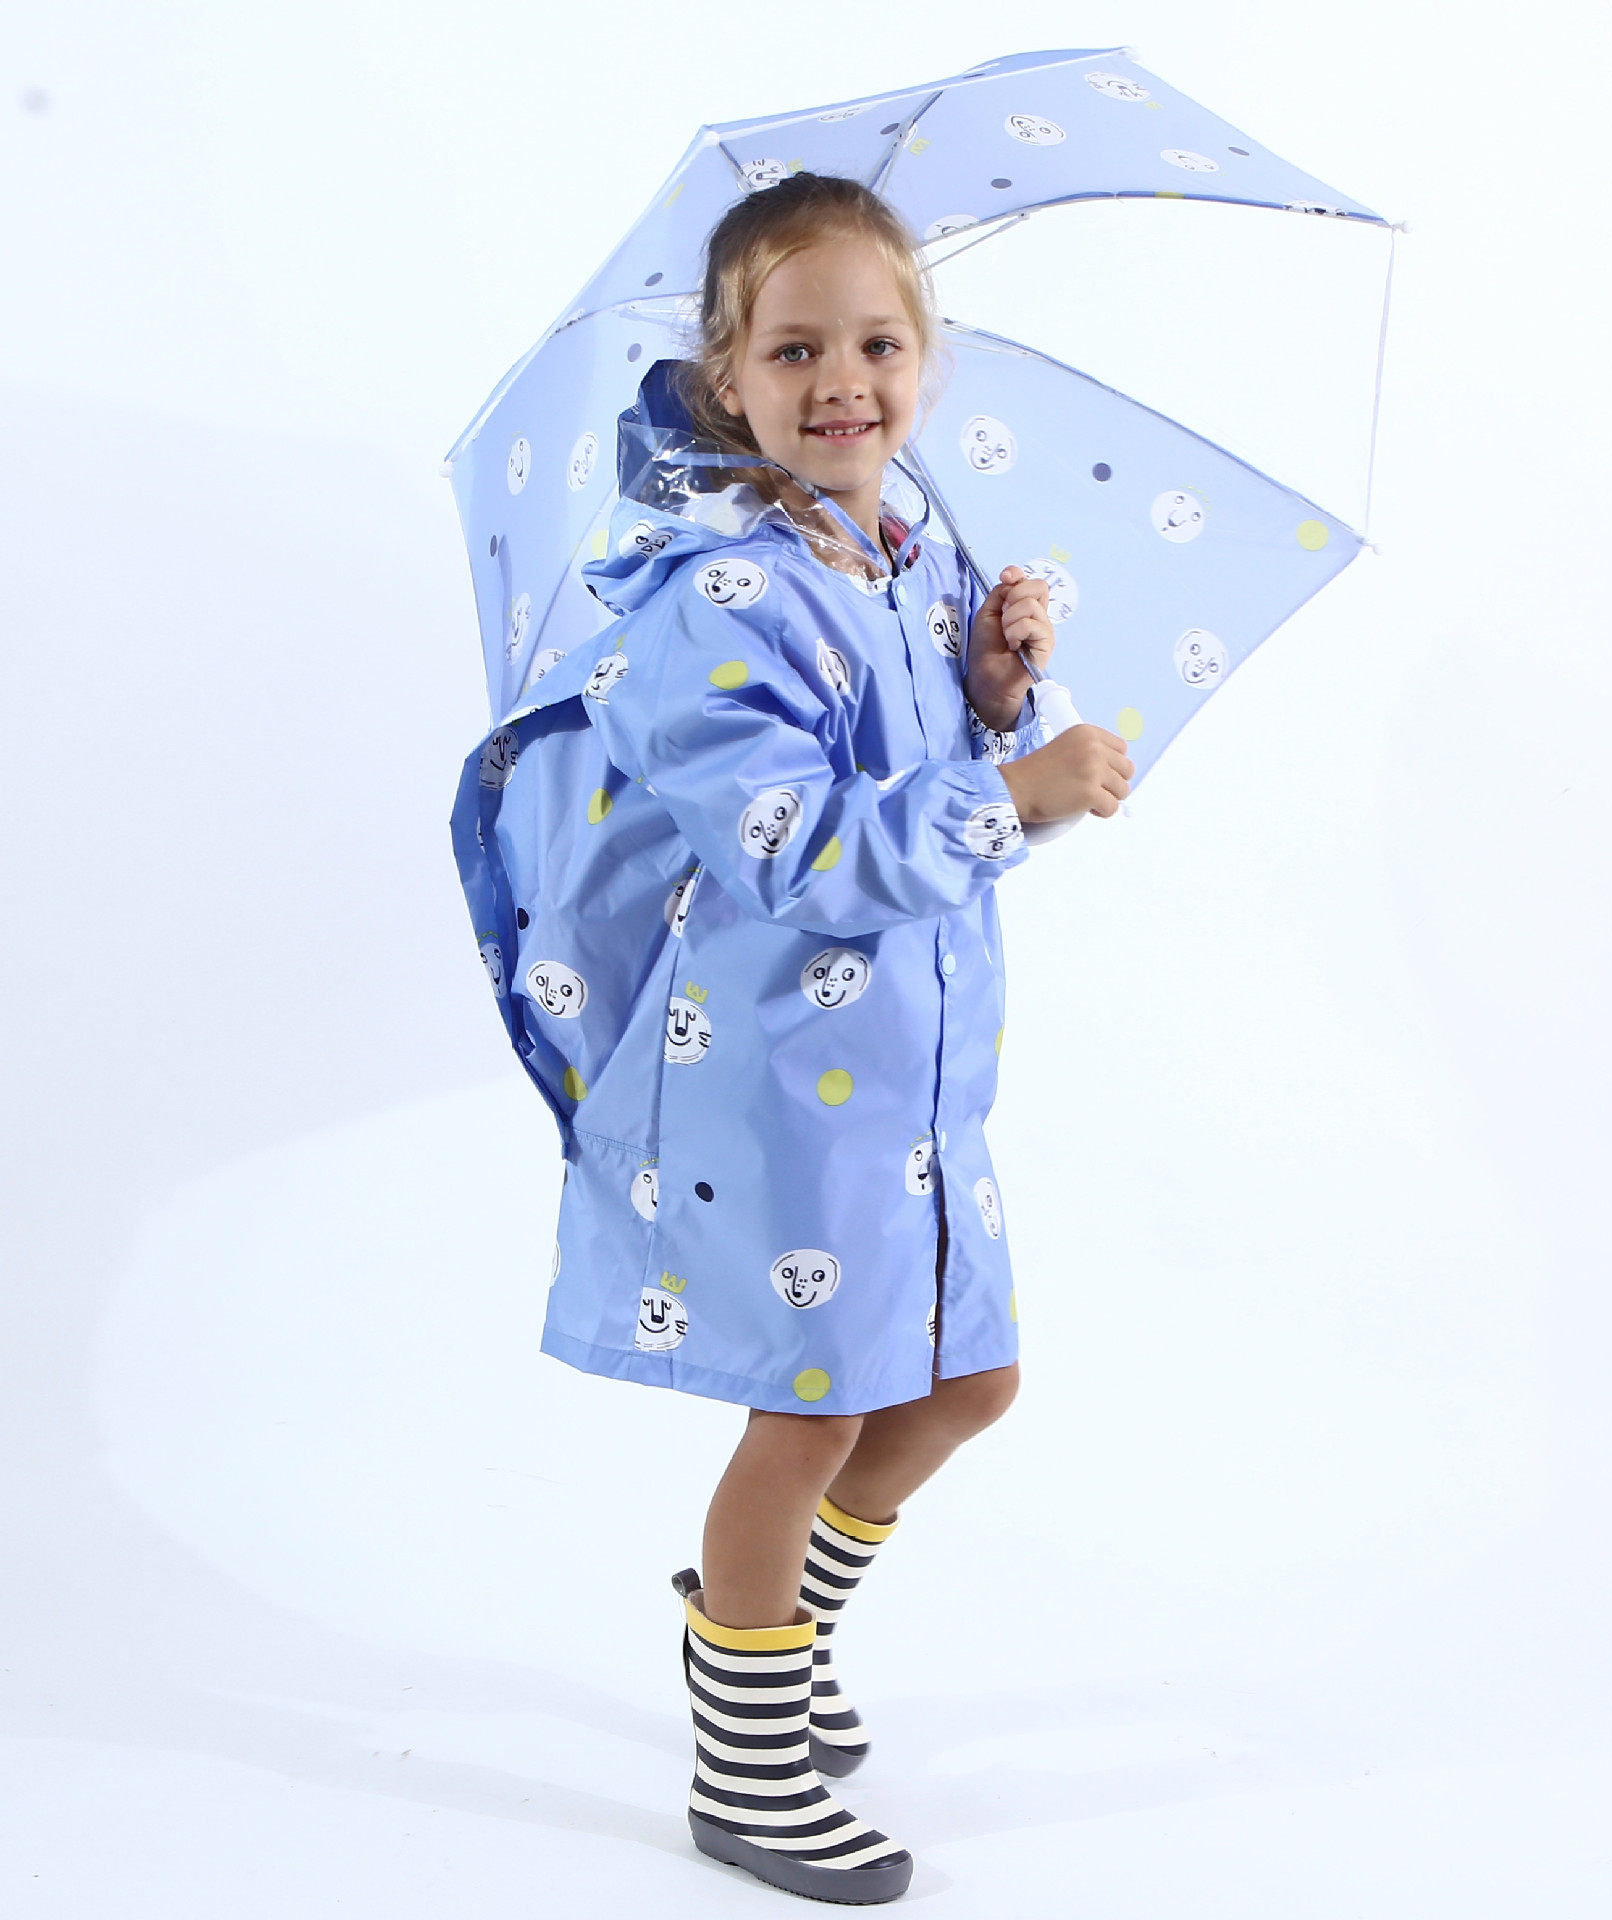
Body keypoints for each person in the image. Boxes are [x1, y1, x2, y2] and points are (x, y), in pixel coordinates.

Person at [453, 171, 1131, 1904]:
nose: (844, 381)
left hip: (918, 1084)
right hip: (775, 1087)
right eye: (796, 349)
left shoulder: (912, 557)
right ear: (726, 378)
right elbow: (798, 853)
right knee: (813, 1416)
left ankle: (762, 1645)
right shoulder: (716, 598)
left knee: (970, 1380)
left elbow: (931, 789)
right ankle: (744, 1759)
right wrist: (1015, 786)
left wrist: (993, 693)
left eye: (879, 344)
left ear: (930, 360)